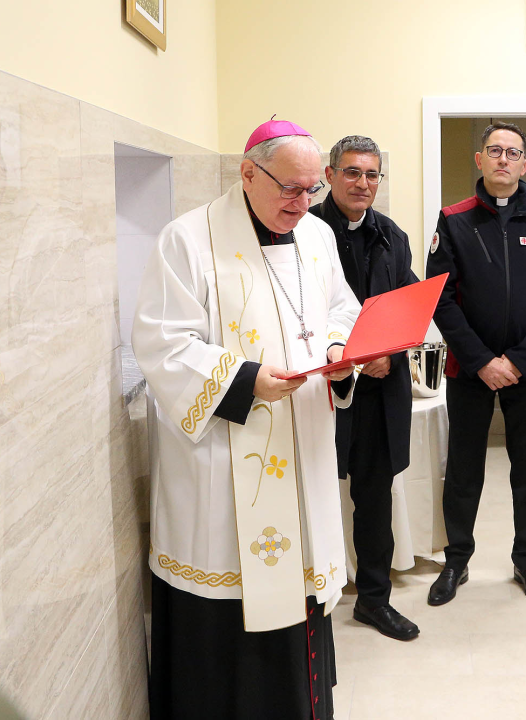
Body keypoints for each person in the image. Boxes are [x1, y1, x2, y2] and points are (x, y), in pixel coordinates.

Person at [133, 118, 360, 720]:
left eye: (312, 189)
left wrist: (339, 351)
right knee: (232, 628)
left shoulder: (317, 236)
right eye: (290, 188)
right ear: (247, 173)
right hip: (223, 461)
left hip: (304, 444)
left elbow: (340, 308)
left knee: (299, 591)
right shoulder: (188, 239)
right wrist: (246, 380)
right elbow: (162, 344)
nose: (302, 203)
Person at [425, 122, 526, 607]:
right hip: (469, 370)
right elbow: (440, 298)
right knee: (463, 470)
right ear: (480, 160)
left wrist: (518, 360)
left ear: (525, 164)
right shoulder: (454, 220)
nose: (503, 160)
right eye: (494, 151)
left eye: (512, 153)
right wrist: (483, 361)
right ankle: (456, 560)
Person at [309, 135, 420, 642]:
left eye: (372, 174)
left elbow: (407, 308)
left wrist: (389, 353)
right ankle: (309, 598)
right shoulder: (302, 233)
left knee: (374, 500)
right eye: (352, 172)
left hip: (379, 390)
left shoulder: (393, 237)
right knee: (310, 493)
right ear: (329, 175)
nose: (363, 183)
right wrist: (348, 359)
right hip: (320, 390)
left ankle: (374, 600)